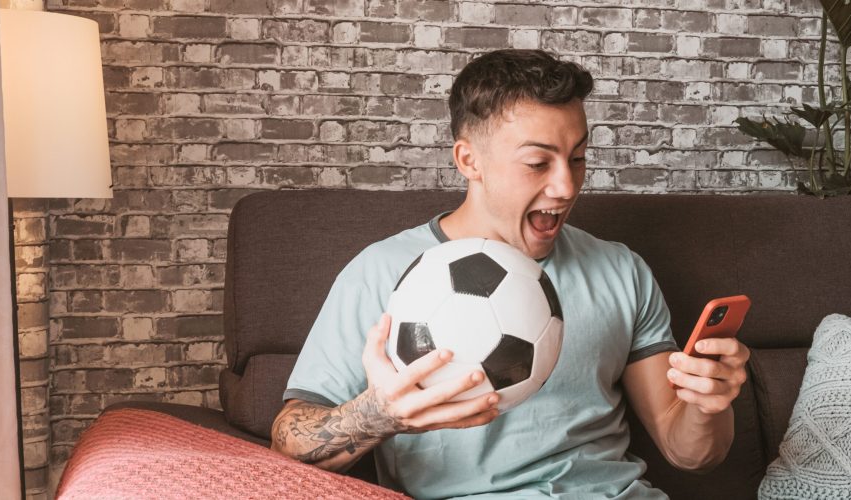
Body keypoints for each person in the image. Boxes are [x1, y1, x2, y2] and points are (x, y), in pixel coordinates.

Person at [271, 49, 750, 499]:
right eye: (537, 163)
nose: (565, 186)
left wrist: (710, 403)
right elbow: (287, 445)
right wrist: (380, 414)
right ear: (468, 160)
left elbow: (688, 453)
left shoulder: (621, 269)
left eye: (578, 158)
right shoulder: (381, 273)